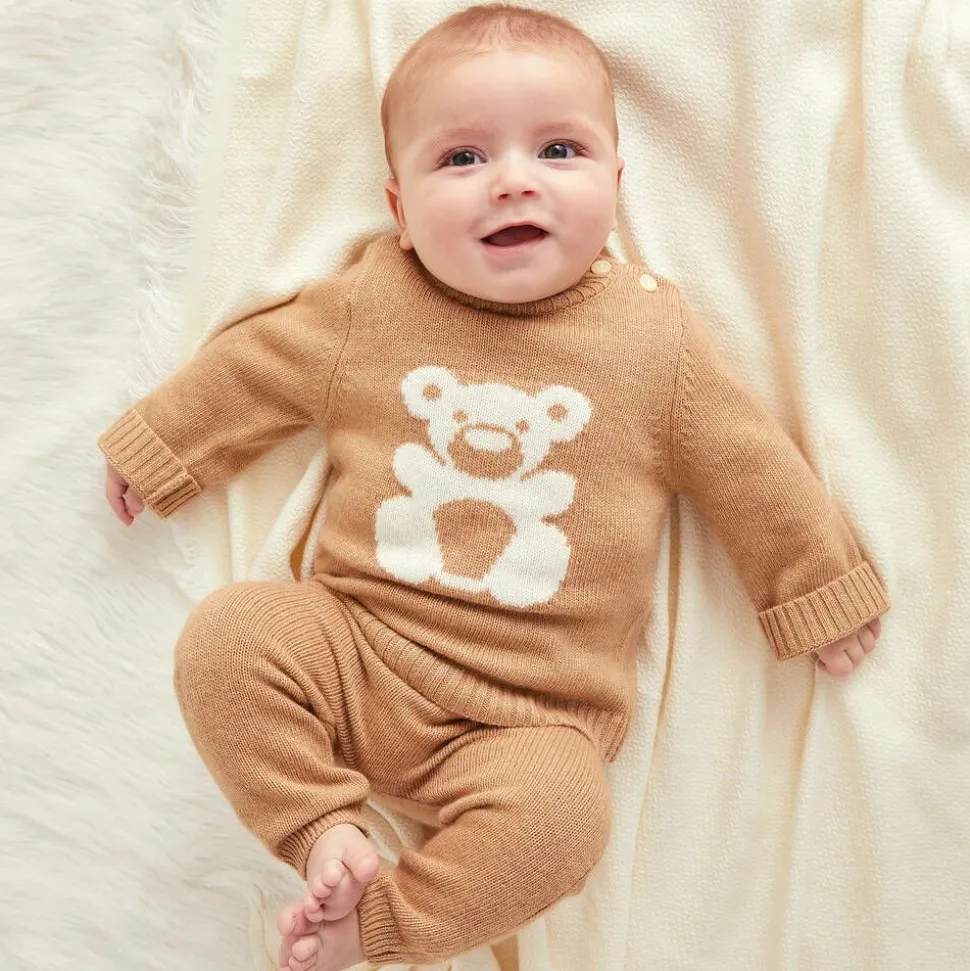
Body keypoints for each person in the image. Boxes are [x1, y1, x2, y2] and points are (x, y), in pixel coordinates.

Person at [99, 5, 890, 970]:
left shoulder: (652, 341)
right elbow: (259, 367)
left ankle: (376, 926)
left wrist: (815, 584)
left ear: (615, 183)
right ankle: (320, 828)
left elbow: (748, 464)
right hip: (358, 647)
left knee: (566, 820)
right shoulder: (374, 302)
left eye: (559, 150)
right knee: (227, 637)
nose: (513, 180)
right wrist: (166, 441)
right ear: (399, 212)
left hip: (531, 718)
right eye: (462, 159)